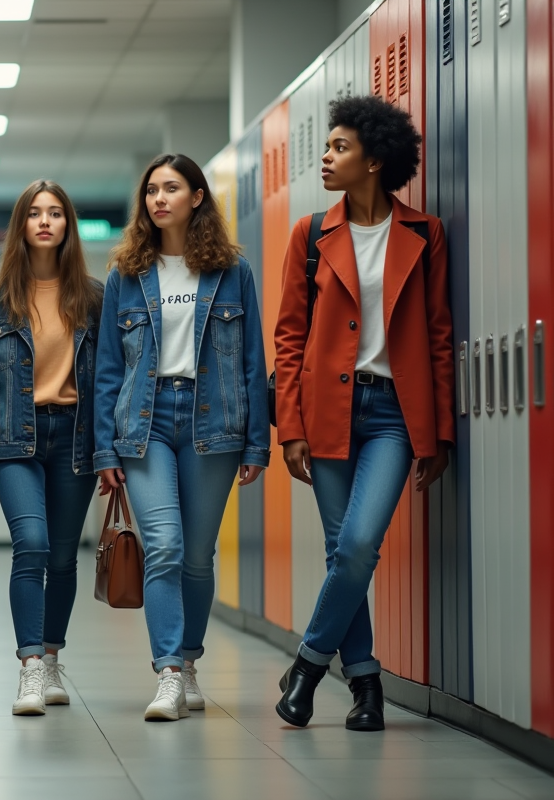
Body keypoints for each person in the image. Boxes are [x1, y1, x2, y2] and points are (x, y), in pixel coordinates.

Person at [273, 95, 453, 732]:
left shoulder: (423, 234)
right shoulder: (310, 234)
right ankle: (368, 684)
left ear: (374, 161)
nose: (325, 157)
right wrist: (289, 427)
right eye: (326, 146)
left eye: (339, 148)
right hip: (327, 411)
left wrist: (439, 432)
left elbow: (436, 334)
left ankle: (307, 666)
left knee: (355, 547)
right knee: (341, 554)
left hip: (394, 416)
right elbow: (289, 338)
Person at [94, 154, 270, 721]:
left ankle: (189, 660)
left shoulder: (231, 271)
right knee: (164, 545)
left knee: (196, 554)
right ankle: (168, 671)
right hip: (143, 424)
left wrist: (256, 443)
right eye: (150, 190)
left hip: (213, 420)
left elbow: (250, 361)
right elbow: (107, 371)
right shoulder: (125, 274)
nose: (158, 199)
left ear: (197, 196)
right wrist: (104, 448)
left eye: (171, 188)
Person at [0, 180, 103, 716]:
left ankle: (51, 655)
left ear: (68, 225)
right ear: (21, 225)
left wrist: (109, 455)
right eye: (35, 214)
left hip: (75, 440)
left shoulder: (94, 296)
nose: (45, 222)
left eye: (56, 213)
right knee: (34, 545)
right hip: (14, 440)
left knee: (63, 556)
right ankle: (29, 668)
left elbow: (106, 381)